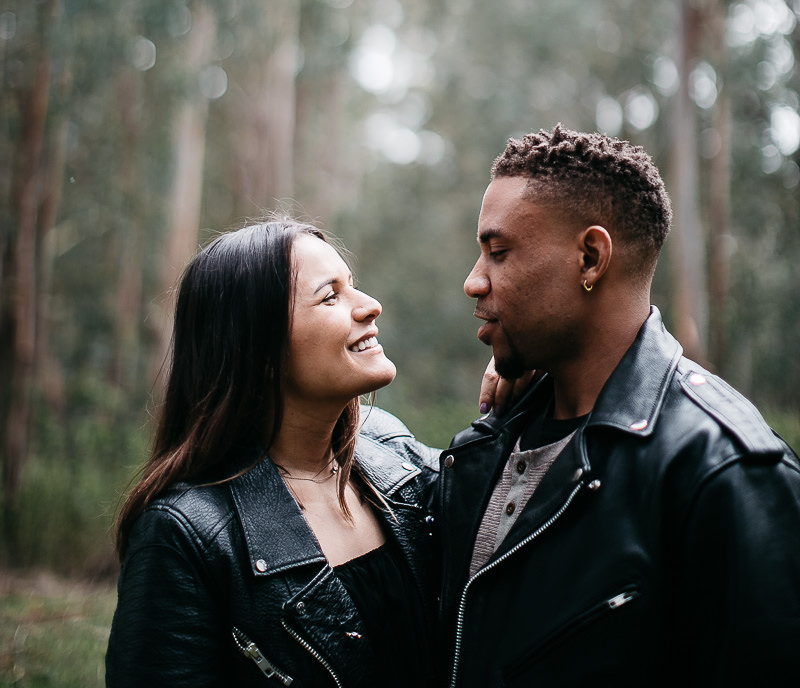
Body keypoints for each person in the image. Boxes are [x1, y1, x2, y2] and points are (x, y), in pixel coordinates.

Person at [438, 124, 800, 688]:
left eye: (499, 252)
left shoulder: (724, 471)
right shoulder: (492, 442)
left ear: (590, 257)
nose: (473, 282)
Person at [106, 217, 441, 688]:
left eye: (354, 286)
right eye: (331, 296)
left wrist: (516, 399)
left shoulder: (392, 451)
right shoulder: (185, 535)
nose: (369, 306)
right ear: (259, 350)